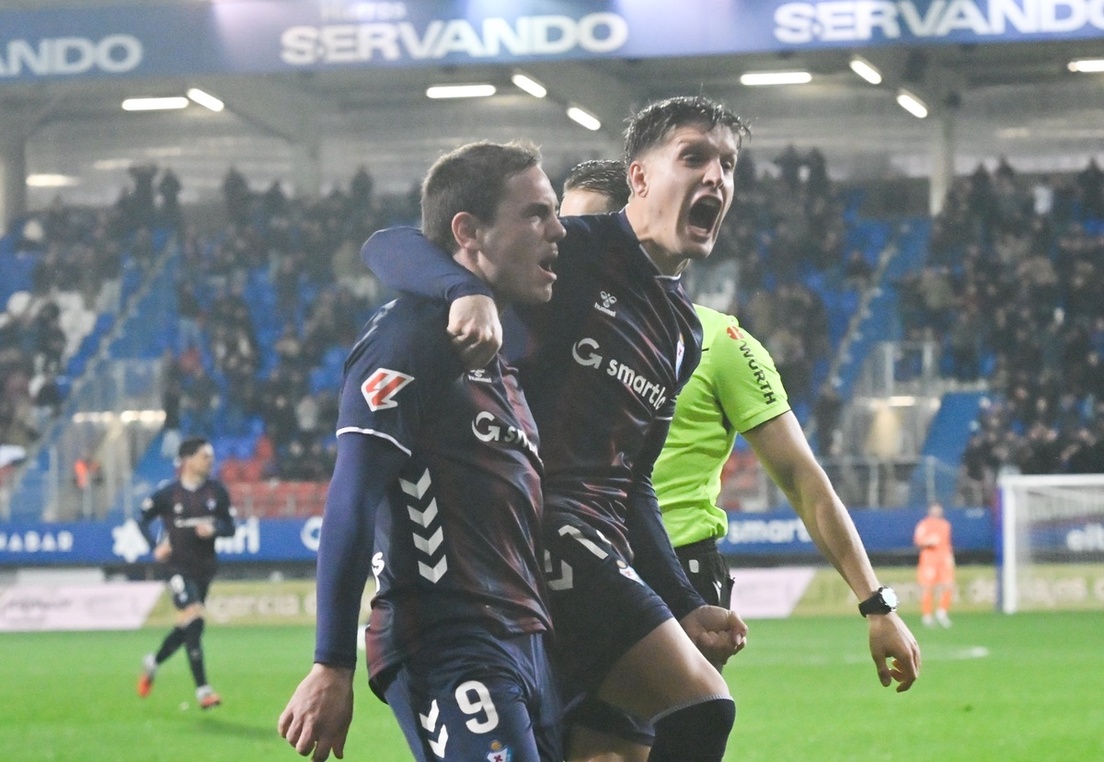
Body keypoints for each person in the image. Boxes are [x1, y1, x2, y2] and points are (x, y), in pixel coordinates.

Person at [363, 95, 757, 762]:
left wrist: (685, 601)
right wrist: (465, 291)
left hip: (604, 551)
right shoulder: (574, 250)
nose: (715, 176)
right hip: (541, 532)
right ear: (638, 178)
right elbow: (389, 245)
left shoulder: (684, 333)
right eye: (694, 157)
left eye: (728, 163)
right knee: (702, 703)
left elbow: (633, 483)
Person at [561, 161, 922, 761]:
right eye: (562, 228)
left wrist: (874, 601)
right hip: (566, 563)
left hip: (673, 571)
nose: (566, 246)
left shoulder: (716, 344)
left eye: (586, 228)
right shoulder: (536, 331)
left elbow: (803, 477)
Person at [279, 141, 565, 762]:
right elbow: (351, 496)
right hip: (447, 639)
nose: (558, 230)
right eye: (537, 214)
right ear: (469, 231)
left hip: (529, 640)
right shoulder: (406, 339)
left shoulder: (503, 346)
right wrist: (330, 662)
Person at [135, 436, 237, 710]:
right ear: (188, 460)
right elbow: (141, 518)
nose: (210, 461)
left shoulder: (216, 491)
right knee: (193, 618)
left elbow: (231, 526)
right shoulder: (168, 493)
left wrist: (214, 529)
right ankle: (204, 690)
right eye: (205, 456)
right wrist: (155, 546)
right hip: (176, 567)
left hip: (204, 568)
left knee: (190, 625)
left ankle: (153, 662)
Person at [914, 502, 955, 627]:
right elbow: (918, 540)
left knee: (948, 585)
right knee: (927, 586)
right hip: (929, 558)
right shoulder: (923, 524)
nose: (936, 512)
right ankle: (927, 615)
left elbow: (947, 542)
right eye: (934, 510)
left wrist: (950, 556)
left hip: (943, 557)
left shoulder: (945, 525)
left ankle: (942, 612)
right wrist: (927, 541)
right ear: (930, 511)